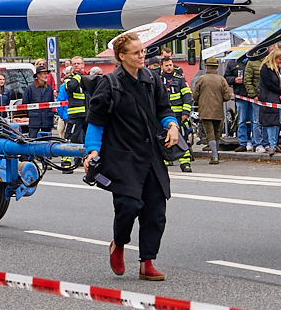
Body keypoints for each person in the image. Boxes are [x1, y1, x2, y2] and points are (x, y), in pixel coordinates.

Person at [84, 31, 179, 282]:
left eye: (142, 51)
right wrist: (92, 151)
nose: (141, 56)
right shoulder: (109, 84)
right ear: (121, 56)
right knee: (128, 206)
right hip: (123, 157)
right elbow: (96, 122)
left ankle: (147, 262)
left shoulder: (152, 79)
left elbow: (164, 109)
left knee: (155, 212)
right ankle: (119, 243)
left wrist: (172, 125)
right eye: (135, 53)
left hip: (152, 156)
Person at [158, 51, 194, 171]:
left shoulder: (180, 80)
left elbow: (187, 96)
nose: (169, 67)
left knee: (182, 138)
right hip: (164, 117)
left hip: (179, 115)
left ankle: (185, 163)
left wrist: (186, 113)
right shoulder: (158, 80)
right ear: (162, 67)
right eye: (166, 66)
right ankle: (166, 160)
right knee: (164, 138)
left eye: (171, 65)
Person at [192, 58, 232, 164]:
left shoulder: (201, 79)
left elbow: (195, 95)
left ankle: (214, 156)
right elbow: (227, 96)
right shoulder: (221, 79)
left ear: (207, 67)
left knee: (209, 133)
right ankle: (216, 153)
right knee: (217, 132)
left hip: (205, 110)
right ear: (216, 67)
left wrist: (201, 100)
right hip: (218, 110)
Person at [257, 48, 281, 153]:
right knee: (270, 122)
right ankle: (271, 144)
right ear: (273, 58)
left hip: (279, 99)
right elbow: (269, 84)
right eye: (279, 59)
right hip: (269, 99)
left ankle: (274, 143)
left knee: (277, 122)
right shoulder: (266, 69)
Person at [225, 56, 253, 152]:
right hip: (240, 95)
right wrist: (234, 80)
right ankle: (243, 142)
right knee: (242, 120)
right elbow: (226, 77)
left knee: (255, 121)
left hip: (254, 97)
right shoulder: (233, 63)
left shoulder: (253, 60)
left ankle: (254, 142)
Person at [22, 64, 56, 138]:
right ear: (38, 75)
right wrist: (32, 114)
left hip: (47, 120)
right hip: (35, 120)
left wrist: (50, 113)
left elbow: (51, 103)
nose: (46, 76)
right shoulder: (30, 88)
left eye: (46, 74)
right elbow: (25, 105)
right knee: (32, 140)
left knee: (46, 141)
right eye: (44, 74)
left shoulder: (49, 88)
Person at [244, 53, 264, 150]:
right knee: (256, 121)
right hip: (257, 97)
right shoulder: (251, 63)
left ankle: (266, 143)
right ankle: (257, 143)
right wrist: (253, 95)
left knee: (266, 121)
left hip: (267, 97)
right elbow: (247, 80)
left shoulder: (268, 61)